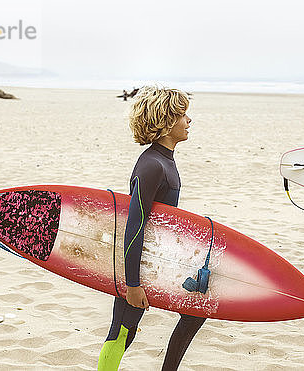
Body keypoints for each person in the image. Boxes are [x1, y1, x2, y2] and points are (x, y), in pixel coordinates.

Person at [98, 86, 205, 370]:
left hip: (160, 262)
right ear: (166, 120)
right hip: (138, 266)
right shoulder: (152, 165)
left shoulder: (164, 160)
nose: (189, 120)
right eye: (183, 115)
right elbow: (135, 224)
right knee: (122, 331)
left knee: (196, 311)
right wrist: (132, 284)